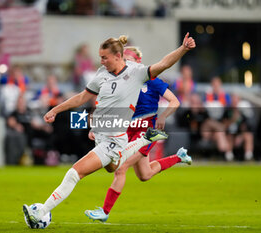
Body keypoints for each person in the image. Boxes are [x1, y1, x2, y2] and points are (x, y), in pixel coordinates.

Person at [23, 33, 196, 228]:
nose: (101, 61)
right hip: (103, 135)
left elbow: (164, 64)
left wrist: (183, 49)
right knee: (116, 168)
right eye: (100, 57)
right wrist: (55, 109)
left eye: (104, 57)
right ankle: (144, 140)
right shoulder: (102, 74)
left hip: (114, 141)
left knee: (75, 173)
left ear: (117, 56)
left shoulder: (137, 73)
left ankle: (41, 211)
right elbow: (82, 98)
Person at [84, 46, 192, 222]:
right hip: (127, 129)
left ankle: (105, 211)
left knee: (121, 167)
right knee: (145, 174)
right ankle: (179, 157)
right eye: (124, 60)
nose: (126, 64)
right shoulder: (121, 81)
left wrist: (163, 116)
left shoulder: (151, 79)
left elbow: (174, 101)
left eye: (130, 60)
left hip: (146, 132)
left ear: (139, 62)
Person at [221, 94, 254, 161]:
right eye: (233, 100)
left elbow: (245, 126)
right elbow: (224, 125)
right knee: (229, 137)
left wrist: (240, 136)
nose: (234, 102)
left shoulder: (243, 112)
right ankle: (229, 157)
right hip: (229, 133)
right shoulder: (227, 111)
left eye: (236, 101)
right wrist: (233, 119)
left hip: (241, 133)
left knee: (248, 136)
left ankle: (248, 157)